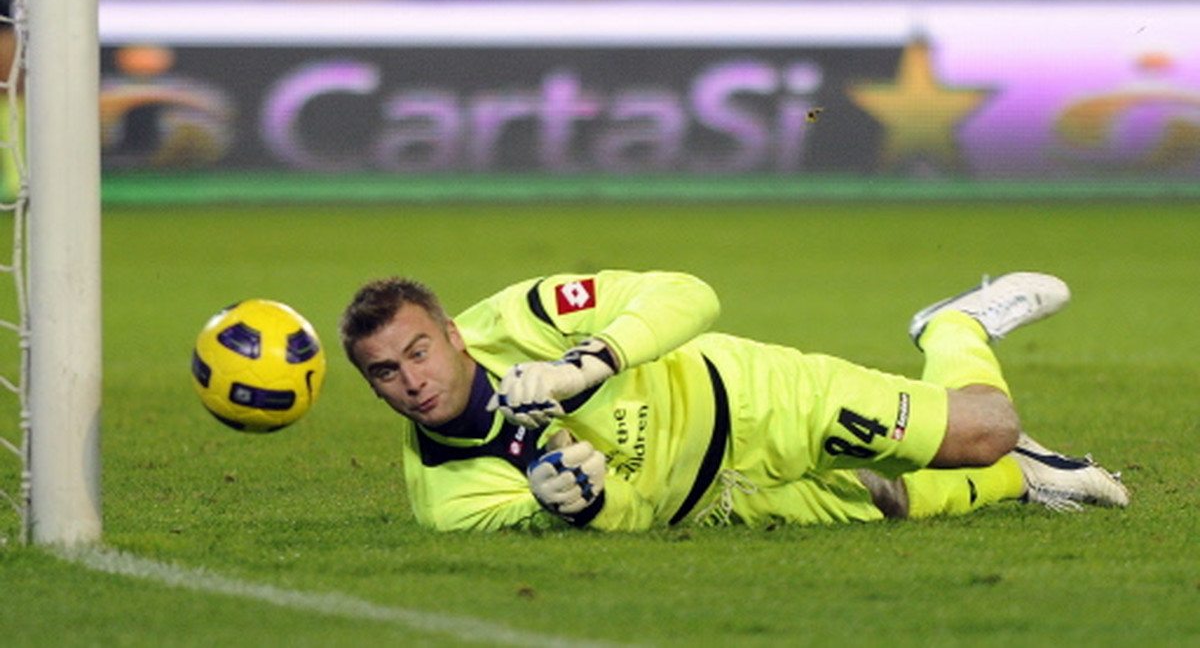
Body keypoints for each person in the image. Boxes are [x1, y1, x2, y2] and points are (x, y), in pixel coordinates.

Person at [339, 270, 1129, 531]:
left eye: (418, 352)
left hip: (750, 398)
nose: (412, 381)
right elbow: (609, 520)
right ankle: (1031, 479)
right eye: (385, 373)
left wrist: (588, 362)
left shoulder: (523, 316)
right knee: (897, 502)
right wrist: (562, 509)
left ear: (452, 334)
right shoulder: (443, 499)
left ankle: (952, 326)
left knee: (986, 431)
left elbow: (688, 293)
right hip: (720, 502)